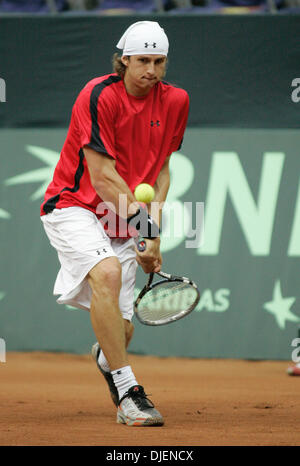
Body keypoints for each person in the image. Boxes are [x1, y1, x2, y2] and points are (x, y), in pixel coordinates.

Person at [40, 21, 189, 427]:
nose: (152, 71)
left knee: (121, 333)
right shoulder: (98, 95)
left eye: (159, 61)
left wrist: (151, 229)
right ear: (124, 60)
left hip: (122, 217)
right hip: (74, 205)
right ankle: (129, 393)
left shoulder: (176, 101)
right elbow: (103, 177)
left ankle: (109, 360)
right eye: (143, 60)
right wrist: (148, 229)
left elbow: (161, 172)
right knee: (105, 274)